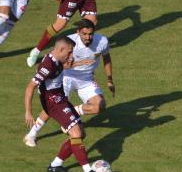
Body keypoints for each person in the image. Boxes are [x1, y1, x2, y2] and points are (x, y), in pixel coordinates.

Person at [24, 36, 104, 172]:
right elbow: (30, 87)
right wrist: (28, 112)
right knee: (76, 132)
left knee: (81, 132)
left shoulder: (57, 59)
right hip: (53, 103)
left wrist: (79, 63)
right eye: (69, 52)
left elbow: (62, 68)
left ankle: (55, 165)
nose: (71, 55)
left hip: (61, 99)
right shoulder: (47, 65)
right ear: (61, 49)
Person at [24, 19, 115, 147]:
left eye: (90, 34)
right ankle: (32, 133)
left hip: (87, 79)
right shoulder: (69, 43)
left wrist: (109, 79)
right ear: (78, 32)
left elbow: (107, 57)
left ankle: (72, 113)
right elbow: (55, 58)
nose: (88, 37)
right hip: (67, 76)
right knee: (54, 104)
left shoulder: (103, 42)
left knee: (99, 106)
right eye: (84, 34)